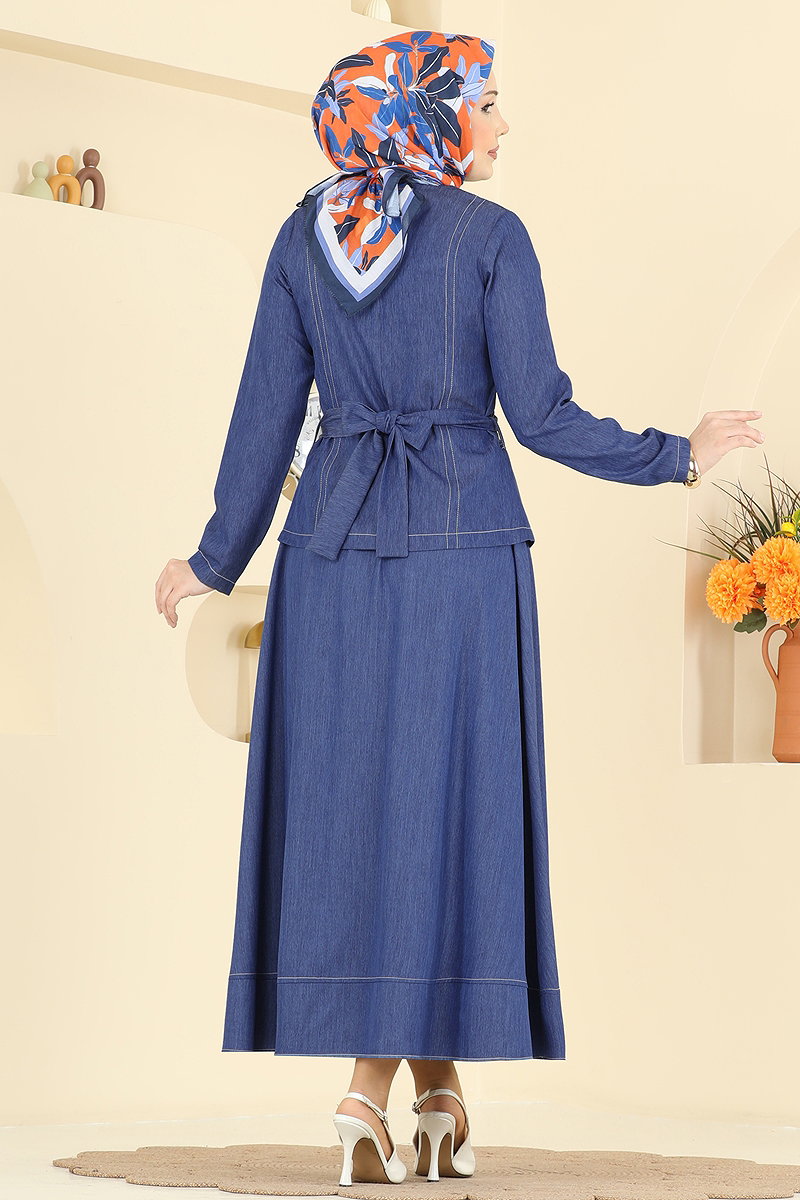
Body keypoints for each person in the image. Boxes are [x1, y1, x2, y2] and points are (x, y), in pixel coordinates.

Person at [154, 30, 764, 1188]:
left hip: (329, 552)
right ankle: (365, 1091)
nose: (502, 122)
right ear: (426, 115)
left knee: (365, 812)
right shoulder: (489, 236)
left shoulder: (301, 235)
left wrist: (214, 557)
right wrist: (674, 455)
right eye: (485, 102)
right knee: (443, 809)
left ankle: (435, 1093)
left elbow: (263, 414)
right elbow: (539, 414)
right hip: (460, 547)